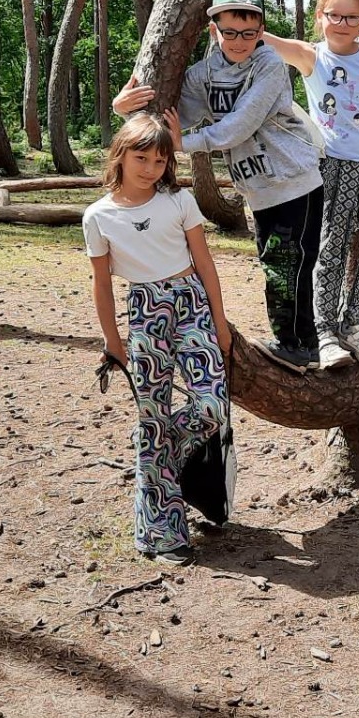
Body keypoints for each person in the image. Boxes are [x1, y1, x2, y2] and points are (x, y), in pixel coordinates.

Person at [114, 0, 324, 368]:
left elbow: (239, 125)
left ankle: (298, 345)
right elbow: (174, 117)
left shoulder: (269, 66)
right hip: (257, 187)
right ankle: (297, 344)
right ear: (215, 31)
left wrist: (186, 143)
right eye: (229, 32)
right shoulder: (204, 74)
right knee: (275, 263)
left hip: (296, 181)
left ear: (260, 31)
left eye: (248, 33)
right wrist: (122, 108)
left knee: (291, 264)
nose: (239, 41)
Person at [84, 113, 233, 568]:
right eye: (141, 157)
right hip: (145, 312)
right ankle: (161, 533)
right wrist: (114, 341)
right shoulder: (98, 216)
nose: (150, 167)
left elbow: (205, 263)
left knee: (210, 407)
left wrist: (221, 323)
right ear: (121, 156)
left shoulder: (179, 200)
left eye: (159, 158)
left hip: (191, 303)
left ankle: (156, 438)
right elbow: (103, 284)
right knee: (153, 415)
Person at [259, 0, 359, 371]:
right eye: (334, 15)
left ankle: (356, 324)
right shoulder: (311, 57)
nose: (342, 23)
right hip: (333, 162)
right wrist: (225, 26)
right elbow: (263, 39)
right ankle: (325, 332)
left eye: (352, 17)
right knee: (331, 245)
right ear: (320, 17)